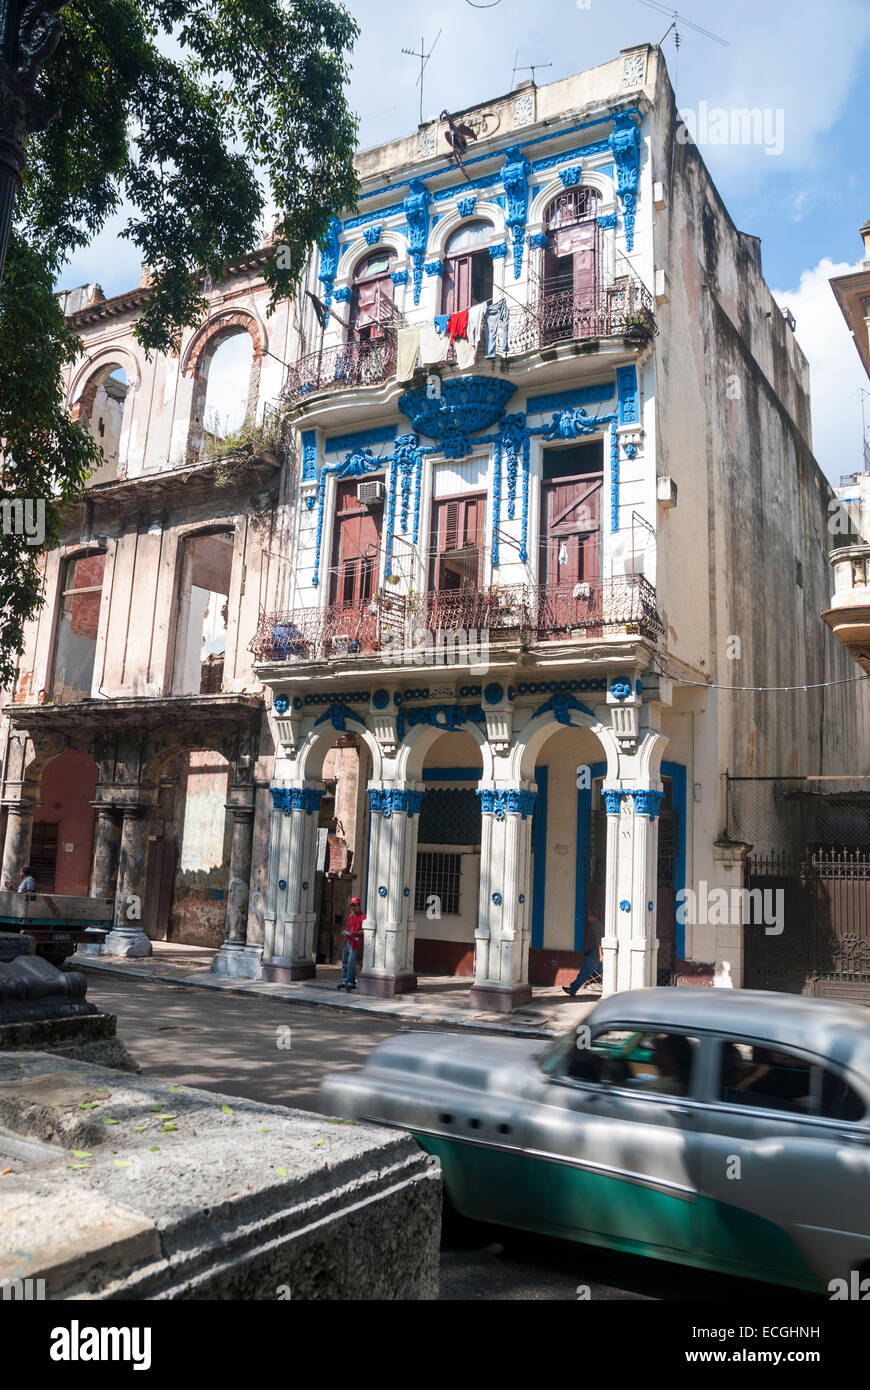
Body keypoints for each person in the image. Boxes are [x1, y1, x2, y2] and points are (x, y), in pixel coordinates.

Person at [561, 911, 604, 996]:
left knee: (584, 972)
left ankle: (572, 989)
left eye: (589, 917)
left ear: (593, 917)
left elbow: (599, 942)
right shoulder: (599, 925)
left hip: (595, 954)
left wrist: (600, 955)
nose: (588, 919)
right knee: (605, 973)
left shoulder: (595, 926)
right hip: (597, 954)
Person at [338, 896, 365, 992]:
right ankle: (345, 981)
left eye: (355, 905)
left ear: (359, 906)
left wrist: (354, 933)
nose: (353, 908)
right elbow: (349, 928)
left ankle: (351, 982)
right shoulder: (350, 916)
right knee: (344, 961)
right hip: (348, 941)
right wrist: (345, 931)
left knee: (351, 963)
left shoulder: (363, 917)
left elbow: (364, 931)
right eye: (352, 906)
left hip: (355, 943)